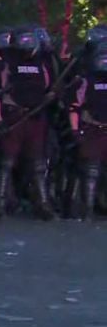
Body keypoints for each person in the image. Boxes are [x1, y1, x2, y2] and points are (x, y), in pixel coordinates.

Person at [0, 27, 56, 221]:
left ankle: (43, 203)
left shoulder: (41, 64)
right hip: (14, 115)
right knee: (6, 162)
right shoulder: (5, 64)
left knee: (37, 163)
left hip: (35, 117)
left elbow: (47, 87)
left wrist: (51, 95)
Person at [68, 45, 107, 221]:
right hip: (92, 128)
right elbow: (75, 107)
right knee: (91, 171)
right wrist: (75, 130)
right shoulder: (86, 81)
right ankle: (88, 210)